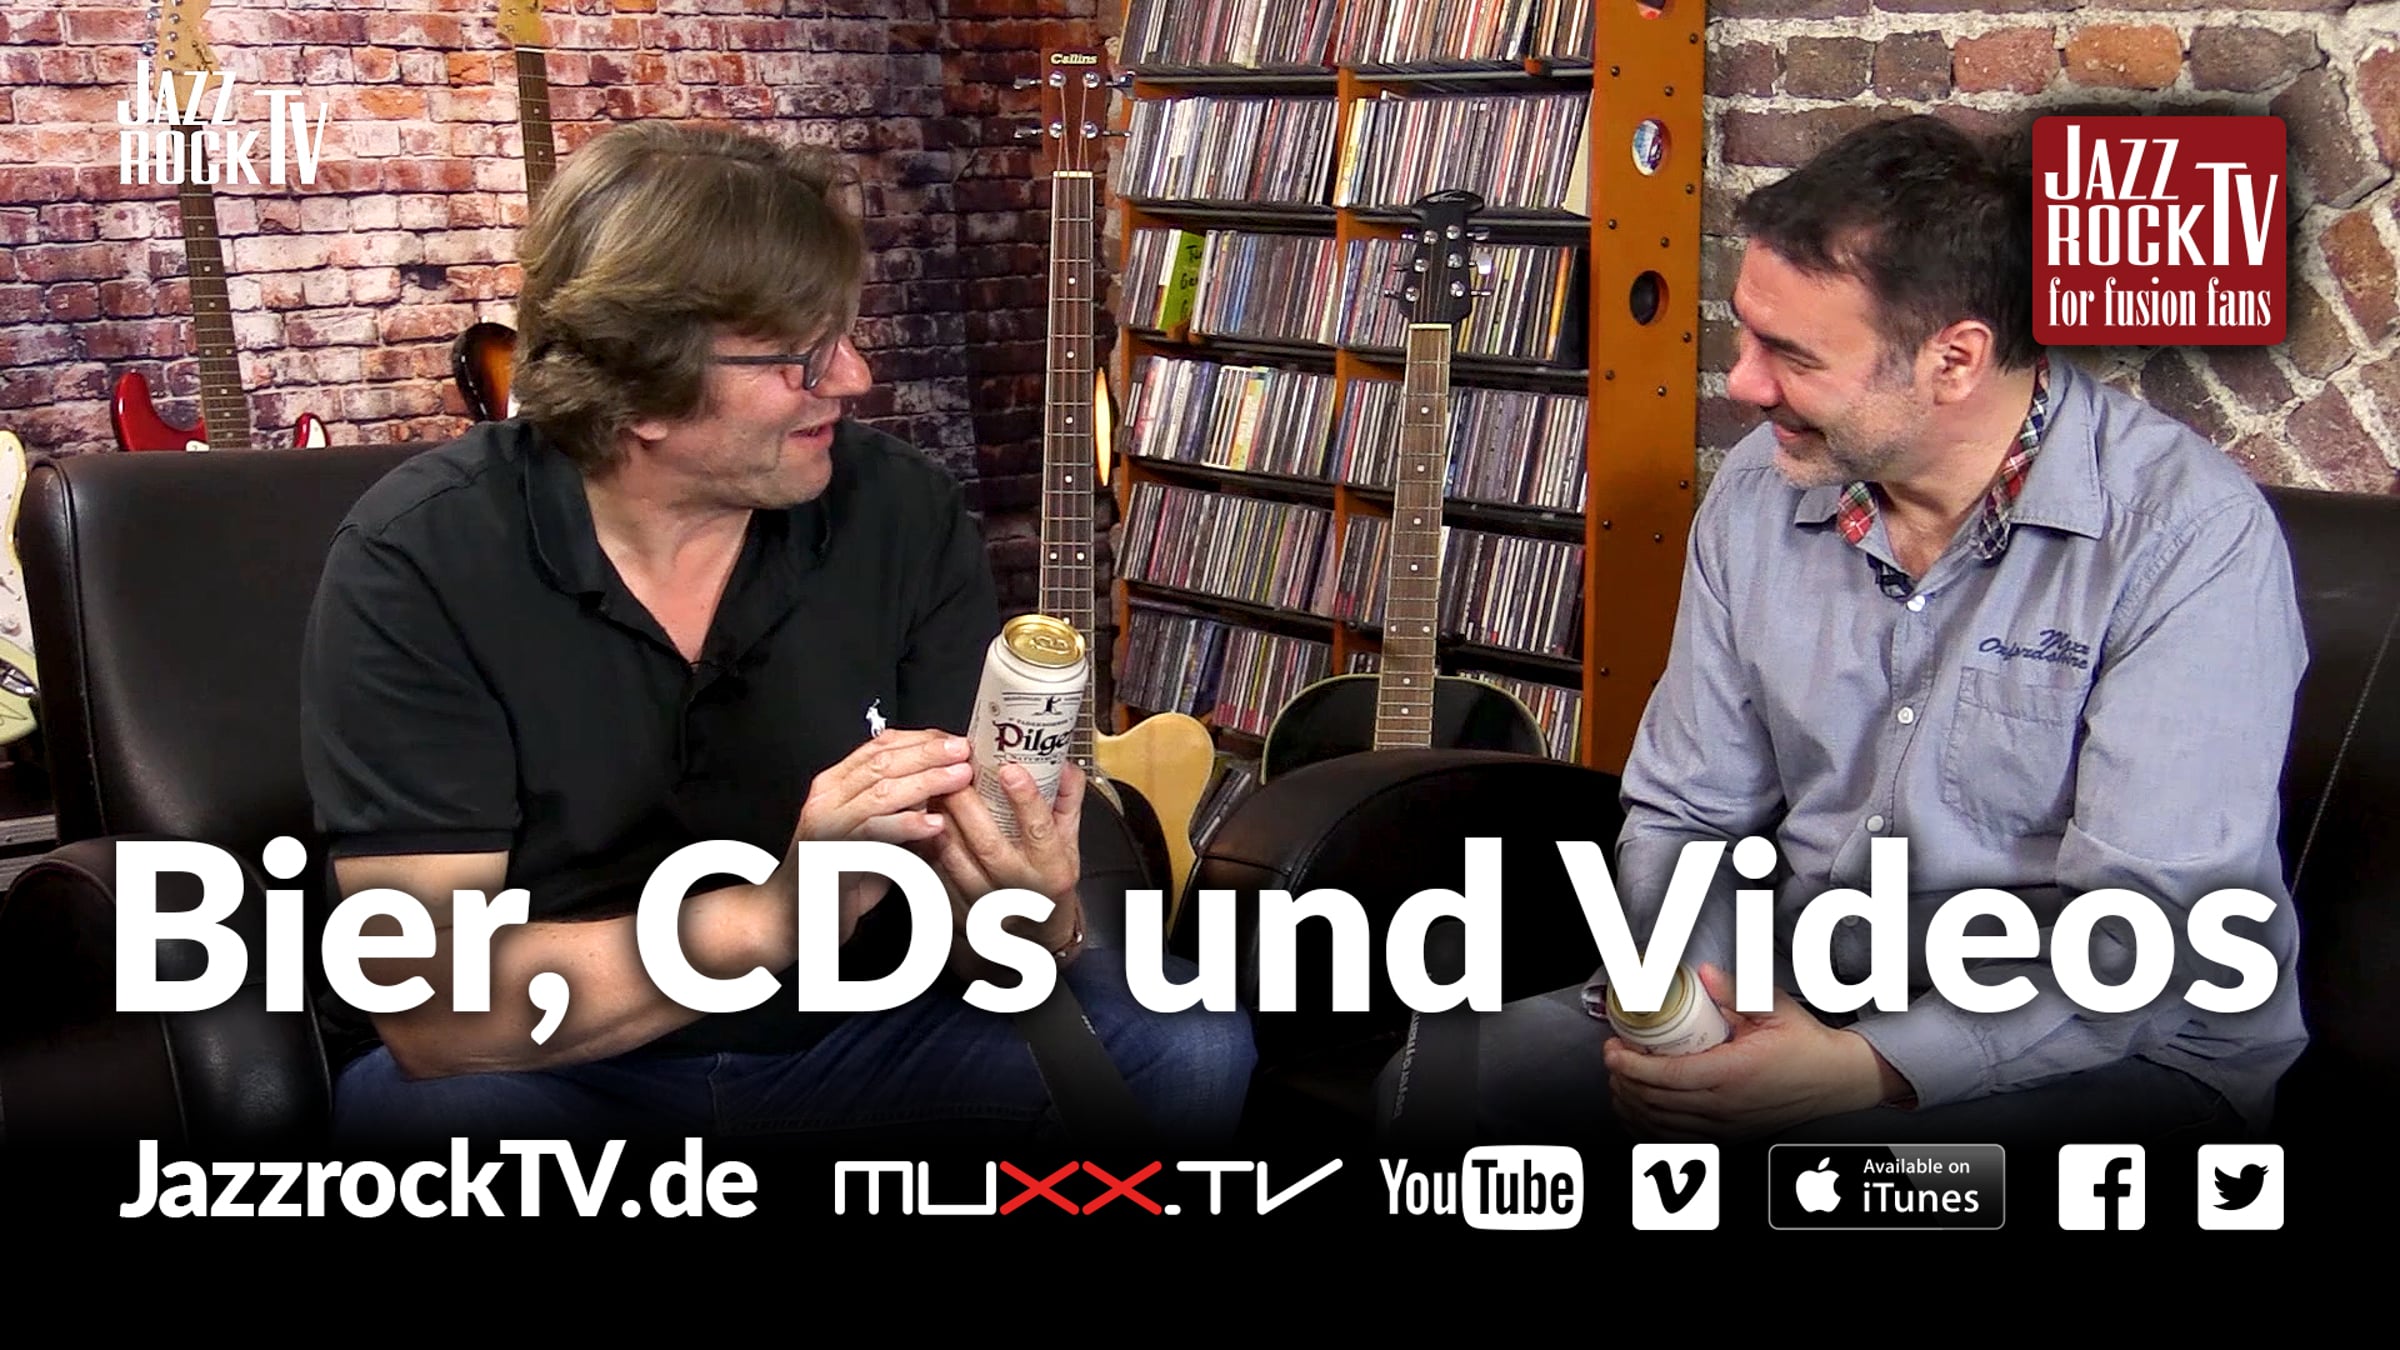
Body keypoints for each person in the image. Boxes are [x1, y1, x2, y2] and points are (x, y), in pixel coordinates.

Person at [299, 121, 1254, 1146]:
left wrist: (1035, 912)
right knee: (433, 1121)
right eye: (799, 355)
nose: (852, 378)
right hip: (563, 1065)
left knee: (1186, 1044)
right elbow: (434, 1010)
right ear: (642, 389)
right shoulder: (419, 556)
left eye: (843, 334)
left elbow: (987, 927)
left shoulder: (899, 510)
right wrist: (779, 914)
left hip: (867, 1034)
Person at [1383, 115, 2307, 1146]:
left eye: (1789, 354)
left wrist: (1864, 1069)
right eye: (1747, 334)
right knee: (1442, 1084)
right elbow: (1689, 812)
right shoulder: (1757, 493)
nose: (1741, 383)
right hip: (1804, 986)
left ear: (1954, 360)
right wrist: (1693, 1004)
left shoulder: (2187, 539)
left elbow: (2147, 935)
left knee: (1811, 1182)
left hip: (2118, 1047)